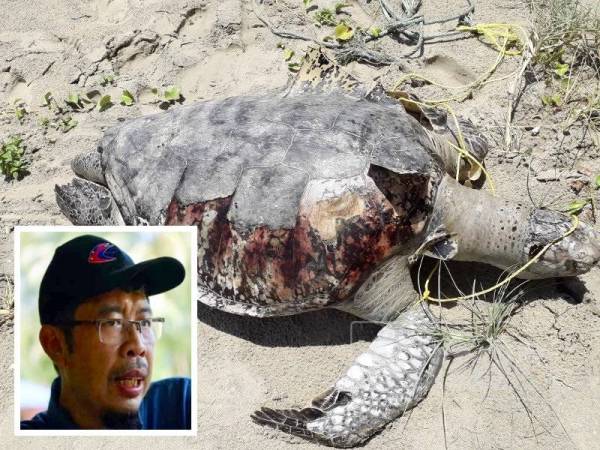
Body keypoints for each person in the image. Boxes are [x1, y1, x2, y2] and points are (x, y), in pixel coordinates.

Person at [20, 234, 191, 430]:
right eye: (113, 323)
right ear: (55, 345)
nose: (138, 346)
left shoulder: (183, 407)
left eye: (144, 322)